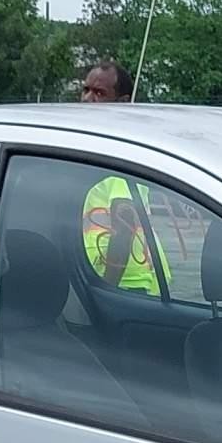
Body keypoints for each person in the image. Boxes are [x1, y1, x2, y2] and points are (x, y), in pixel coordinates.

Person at [75, 61, 169, 294]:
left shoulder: (116, 153)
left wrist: (106, 291)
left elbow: (124, 228)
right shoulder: (90, 148)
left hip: (129, 283)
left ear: (123, 102)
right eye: (85, 90)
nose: (88, 99)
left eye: (99, 93)